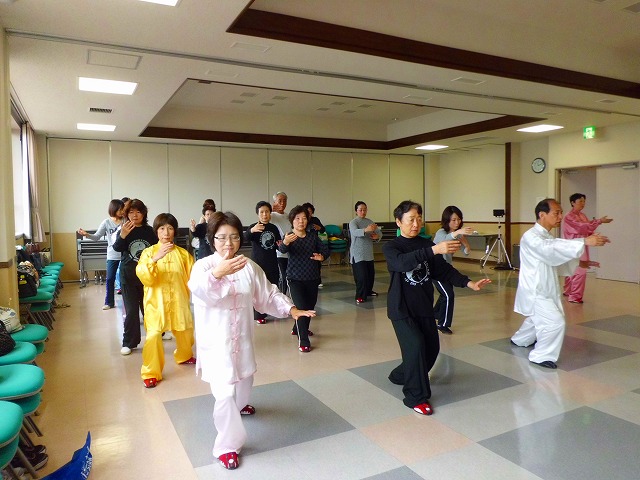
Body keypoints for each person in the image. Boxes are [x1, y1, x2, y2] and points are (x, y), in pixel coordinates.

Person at [187, 211, 315, 470]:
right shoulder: (203, 267)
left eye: (234, 237)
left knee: (245, 381)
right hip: (216, 344)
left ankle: (241, 405)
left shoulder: (248, 265)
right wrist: (217, 274)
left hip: (242, 339)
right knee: (224, 394)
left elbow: (267, 294)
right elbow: (200, 292)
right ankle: (227, 446)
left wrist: (291, 309)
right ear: (212, 240)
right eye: (222, 237)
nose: (228, 243)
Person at [383, 200, 491, 415]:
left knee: (431, 349)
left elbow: (443, 270)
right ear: (399, 222)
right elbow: (402, 263)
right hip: (401, 309)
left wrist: (469, 283)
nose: (416, 224)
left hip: (423, 306)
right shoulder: (392, 247)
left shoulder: (425, 244)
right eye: (411, 220)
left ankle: (401, 374)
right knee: (415, 346)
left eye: (419, 219)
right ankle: (416, 396)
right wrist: (433, 250)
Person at [511, 198, 610, 368]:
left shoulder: (546, 236)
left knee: (538, 317)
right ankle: (541, 356)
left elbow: (553, 256)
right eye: (556, 213)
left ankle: (520, 339)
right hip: (535, 289)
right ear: (542, 214)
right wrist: (584, 241)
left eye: (561, 213)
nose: (560, 216)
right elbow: (549, 249)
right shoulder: (531, 236)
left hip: (546, 286)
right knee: (554, 322)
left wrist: (580, 263)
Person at [135, 213, 196, 388]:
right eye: (162, 228)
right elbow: (144, 276)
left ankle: (184, 355)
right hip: (156, 303)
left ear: (174, 231)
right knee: (154, 335)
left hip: (179, 300)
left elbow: (195, 279)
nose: (166, 232)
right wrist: (155, 259)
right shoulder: (148, 253)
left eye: (170, 228)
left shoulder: (183, 255)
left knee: (185, 330)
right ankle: (151, 372)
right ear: (157, 231)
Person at [279, 205, 329, 352]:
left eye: (304, 218)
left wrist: (322, 257)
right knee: (301, 308)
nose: (301, 221)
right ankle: (303, 340)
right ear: (292, 220)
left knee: (309, 307)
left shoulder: (313, 237)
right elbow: (282, 250)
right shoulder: (289, 236)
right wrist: (286, 242)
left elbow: (325, 250)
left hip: (312, 277)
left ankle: (297, 328)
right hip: (294, 278)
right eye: (297, 218)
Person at [113, 199, 158, 356]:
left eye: (138, 212)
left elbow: (157, 250)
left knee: (149, 309)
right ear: (126, 214)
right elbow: (117, 248)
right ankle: (129, 342)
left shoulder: (150, 231)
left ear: (144, 213)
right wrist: (123, 235)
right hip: (128, 276)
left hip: (147, 277)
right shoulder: (124, 229)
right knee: (132, 311)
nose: (135, 215)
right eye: (131, 212)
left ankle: (157, 335)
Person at [561, 193, 613, 304]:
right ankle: (575, 296)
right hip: (573, 247)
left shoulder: (582, 215)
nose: (583, 203)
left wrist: (597, 237)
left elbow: (588, 229)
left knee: (574, 270)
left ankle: (568, 291)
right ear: (572, 203)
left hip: (582, 246)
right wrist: (599, 221)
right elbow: (582, 227)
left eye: (584, 201)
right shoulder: (569, 216)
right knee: (579, 271)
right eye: (580, 201)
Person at [77, 198, 124, 310]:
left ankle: (128, 303)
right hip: (112, 255)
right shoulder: (106, 222)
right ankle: (109, 302)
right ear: (113, 209)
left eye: (123, 209)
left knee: (126, 280)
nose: (122, 212)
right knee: (110, 278)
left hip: (124, 255)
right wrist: (86, 234)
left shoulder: (126, 221)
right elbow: (97, 237)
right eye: (120, 209)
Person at [432, 206, 473, 334]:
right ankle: (443, 324)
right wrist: (457, 233)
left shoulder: (457, 235)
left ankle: (434, 314)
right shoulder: (441, 233)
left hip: (447, 270)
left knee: (445, 294)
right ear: (447, 220)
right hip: (435, 270)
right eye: (453, 220)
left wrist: (465, 243)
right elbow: (444, 240)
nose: (457, 222)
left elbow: (466, 252)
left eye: (459, 219)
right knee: (448, 295)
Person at [244, 201, 282, 324]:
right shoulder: (253, 227)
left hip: (272, 262)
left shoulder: (273, 228)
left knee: (272, 286)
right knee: (258, 289)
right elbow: (244, 238)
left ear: (270, 213)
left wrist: (283, 243)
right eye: (262, 212)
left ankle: (272, 310)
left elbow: (278, 244)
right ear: (258, 214)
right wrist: (252, 231)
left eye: (267, 212)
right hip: (258, 263)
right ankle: (259, 314)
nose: (264, 214)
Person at [349, 201, 382, 304]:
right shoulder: (353, 222)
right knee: (361, 276)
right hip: (357, 254)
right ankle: (360, 296)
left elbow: (379, 232)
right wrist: (366, 230)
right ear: (356, 211)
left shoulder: (370, 221)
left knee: (370, 275)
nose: (363, 212)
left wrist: (377, 236)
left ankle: (368, 291)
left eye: (364, 210)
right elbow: (355, 232)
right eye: (360, 210)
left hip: (368, 253)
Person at [270, 191, 290, 294]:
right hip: (279, 253)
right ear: (274, 202)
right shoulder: (271, 216)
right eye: (280, 201)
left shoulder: (288, 216)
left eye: (284, 201)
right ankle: (281, 296)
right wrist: (270, 210)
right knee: (282, 276)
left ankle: (285, 296)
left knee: (287, 276)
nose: (282, 203)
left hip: (289, 251)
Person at [303, 202, 326, 287]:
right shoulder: (302, 220)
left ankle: (318, 280)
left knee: (317, 262)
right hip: (304, 243)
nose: (309, 213)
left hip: (315, 243)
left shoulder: (315, 219)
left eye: (310, 212)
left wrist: (319, 228)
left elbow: (323, 230)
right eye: (307, 211)